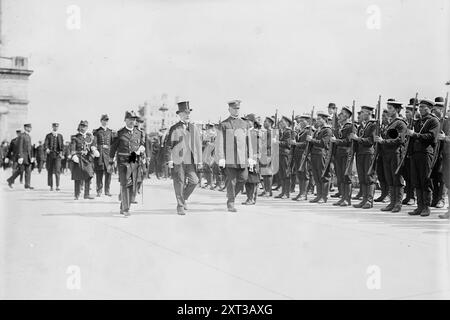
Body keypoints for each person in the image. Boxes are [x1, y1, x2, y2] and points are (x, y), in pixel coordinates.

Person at [216, 99, 255, 212]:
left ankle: (231, 196)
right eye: (234, 108)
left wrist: (251, 157)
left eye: (238, 108)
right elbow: (220, 142)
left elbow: (249, 142)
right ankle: (231, 203)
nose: (236, 110)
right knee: (231, 181)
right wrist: (221, 157)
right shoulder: (224, 124)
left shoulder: (244, 124)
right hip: (230, 157)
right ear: (229, 110)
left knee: (243, 178)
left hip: (242, 157)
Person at [166, 101, 202, 215]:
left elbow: (198, 144)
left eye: (188, 113)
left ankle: (184, 198)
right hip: (178, 160)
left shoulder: (193, 128)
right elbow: (168, 146)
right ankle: (180, 206)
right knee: (179, 182)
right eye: (185, 113)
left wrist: (200, 160)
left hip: (190, 160)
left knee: (195, 181)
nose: (187, 115)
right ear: (180, 114)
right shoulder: (174, 128)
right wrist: (170, 159)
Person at [407, 99, 440, 217]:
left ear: (430, 108)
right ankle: (419, 206)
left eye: (423, 107)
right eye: (419, 107)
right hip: (415, 154)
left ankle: (426, 207)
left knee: (425, 180)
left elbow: (431, 136)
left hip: (426, 153)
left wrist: (414, 134)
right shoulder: (417, 121)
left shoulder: (433, 121)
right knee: (416, 180)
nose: (420, 109)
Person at [110, 111, 145, 216]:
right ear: (125, 120)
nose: (132, 121)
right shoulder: (119, 133)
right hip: (123, 162)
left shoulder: (139, 132)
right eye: (129, 119)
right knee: (125, 184)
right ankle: (126, 209)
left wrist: (139, 151)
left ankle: (123, 206)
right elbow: (113, 149)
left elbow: (143, 145)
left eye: (134, 119)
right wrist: (110, 162)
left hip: (134, 161)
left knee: (132, 185)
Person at [375, 100, 407, 212]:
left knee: (397, 178)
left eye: (391, 108)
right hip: (386, 154)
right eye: (388, 108)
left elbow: (400, 140)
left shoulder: (400, 123)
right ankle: (392, 202)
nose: (388, 110)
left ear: (397, 110)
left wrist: (383, 141)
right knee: (389, 178)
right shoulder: (390, 123)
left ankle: (398, 203)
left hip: (396, 153)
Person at [351, 106, 377, 209]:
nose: (360, 114)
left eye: (362, 112)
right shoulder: (362, 126)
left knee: (369, 177)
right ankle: (364, 199)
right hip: (360, 153)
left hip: (368, 153)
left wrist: (358, 139)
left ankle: (369, 200)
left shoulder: (374, 125)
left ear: (368, 113)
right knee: (362, 177)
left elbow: (371, 141)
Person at [331, 106, 354, 206]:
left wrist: (337, 141)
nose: (340, 115)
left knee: (346, 176)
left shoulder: (350, 126)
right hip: (339, 153)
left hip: (346, 153)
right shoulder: (341, 126)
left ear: (347, 115)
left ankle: (347, 199)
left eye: (342, 113)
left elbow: (349, 141)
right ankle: (343, 197)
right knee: (340, 177)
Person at [307, 111, 332, 203]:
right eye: (317, 119)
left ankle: (324, 196)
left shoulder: (327, 130)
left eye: (319, 119)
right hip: (314, 154)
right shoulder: (318, 130)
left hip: (322, 154)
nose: (317, 121)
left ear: (325, 119)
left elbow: (323, 143)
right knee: (316, 175)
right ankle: (319, 195)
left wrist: (311, 139)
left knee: (323, 175)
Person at [70, 120, 98, 200]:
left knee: (89, 175)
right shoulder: (75, 137)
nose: (83, 128)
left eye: (85, 126)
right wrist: (73, 155)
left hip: (87, 159)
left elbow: (93, 146)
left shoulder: (90, 137)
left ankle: (86, 194)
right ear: (79, 127)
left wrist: (94, 150)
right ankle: (77, 194)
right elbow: (72, 147)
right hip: (78, 158)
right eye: (81, 126)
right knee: (77, 177)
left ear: (87, 127)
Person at [400, 98, 418, 205]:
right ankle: (409, 195)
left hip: (413, 151)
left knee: (413, 175)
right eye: (406, 111)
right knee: (406, 175)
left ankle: (412, 197)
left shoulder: (416, 123)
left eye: (408, 111)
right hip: (405, 152)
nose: (406, 113)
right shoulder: (405, 123)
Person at [7, 124, 35, 189]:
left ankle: (27, 185)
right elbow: (20, 147)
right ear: (25, 128)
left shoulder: (29, 136)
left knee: (28, 170)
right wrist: (20, 156)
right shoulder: (21, 136)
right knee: (20, 170)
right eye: (29, 127)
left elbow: (30, 148)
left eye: (30, 127)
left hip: (28, 157)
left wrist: (32, 156)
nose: (30, 129)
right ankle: (10, 180)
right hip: (23, 156)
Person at [291, 113, 311, 201]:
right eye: (301, 120)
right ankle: (301, 192)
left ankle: (304, 193)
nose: (301, 122)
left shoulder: (309, 131)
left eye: (303, 120)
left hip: (304, 155)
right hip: (298, 155)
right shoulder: (300, 131)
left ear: (308, 121)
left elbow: (306, 144)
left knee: (304, 174)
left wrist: (296, 144)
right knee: (300, 174)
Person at [92, 114, 114, 197]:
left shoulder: (110, 132)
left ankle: (107, 191)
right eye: (104, 120)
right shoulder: (97, 131)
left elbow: (113, 144)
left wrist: (113, 155)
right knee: (99, 173)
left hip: (108, 155)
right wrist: (94, 149)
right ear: (101, 121)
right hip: (100, 155)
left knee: (109, 173)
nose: (105, 122)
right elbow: (94, 142)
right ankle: (99, 190)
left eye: (107, 120)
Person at [242, 114, 260, 205]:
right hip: (246, 158)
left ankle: (251, 198)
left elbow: (256, 146)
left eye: (247, 120)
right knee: (247, 178)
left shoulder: (254, 132)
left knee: (252, 179)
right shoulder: (246, 132)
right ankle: (249, 197)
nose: (245, 122)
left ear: (252, 122)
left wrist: (253, 158)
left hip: (252, 158)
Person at [274, 116, 293, 199]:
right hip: (281, 154)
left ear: (287, 123)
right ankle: (283, 192)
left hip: (286, 154)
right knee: (282, 174)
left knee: (286, 173)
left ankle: (286, 193)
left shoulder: (288, 132)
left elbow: (288, 144)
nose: (280, 123)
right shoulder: (283, 132)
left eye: (282, 122)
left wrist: (278, 142)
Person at [374, 109, 390, 203]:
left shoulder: (391, 126)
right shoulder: (381, 127)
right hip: (380, 153)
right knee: (381, 175)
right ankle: (383, 193)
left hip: (388, 153)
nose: (383, 118)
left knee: (388, 175)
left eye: (385, 116)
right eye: (382, 116)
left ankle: (388, 194)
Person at [131, 116, 147, 203]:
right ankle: (132, 197)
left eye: (140, 122)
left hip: (141, 155)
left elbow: (144, 143)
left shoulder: (143, 132)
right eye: (137, 122)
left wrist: (144, 154)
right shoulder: (132, 131)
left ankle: (138, 188)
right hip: (133, 155)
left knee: (144, 172)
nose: (138, 123)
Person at [44, 123, 64, 191]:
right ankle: (51, 186)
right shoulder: (48, 136)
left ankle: (57, 185)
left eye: (57, 126)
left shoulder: (60, 136)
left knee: (58, 170)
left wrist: (62, 153)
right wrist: (46, 148)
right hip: (50, 155)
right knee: (50, 170)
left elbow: (62, 146)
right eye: (54, 126)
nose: (56, 128)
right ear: (52, 127)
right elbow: (45, 144)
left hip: (58, 155)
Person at [259, 116, 276, 197]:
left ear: (270, 123)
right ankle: (266, 190)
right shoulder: (267, 132)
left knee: (268, 173)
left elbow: (268, 144)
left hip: (268, 153)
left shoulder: (269, 132)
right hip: (265, 153)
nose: (264, 123)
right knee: (265, 173)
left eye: (266, 122)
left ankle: (268, 191)